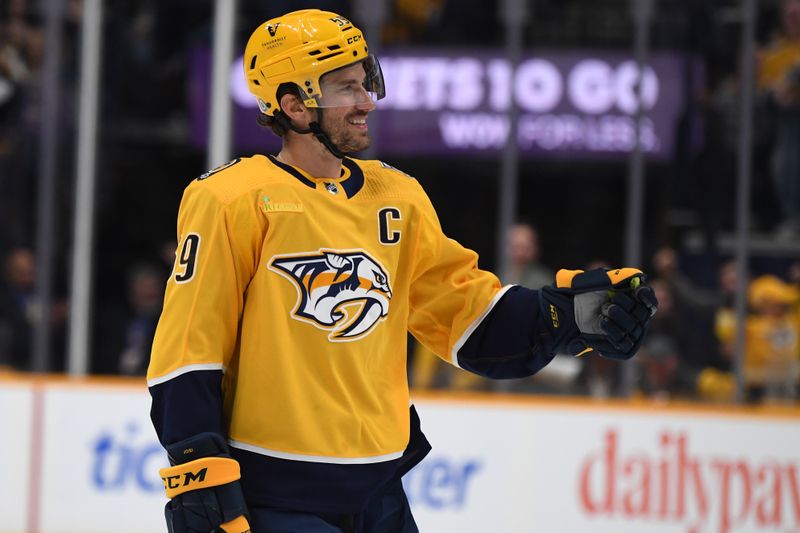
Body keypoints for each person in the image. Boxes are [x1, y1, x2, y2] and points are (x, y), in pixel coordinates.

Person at [146, 9, 658, 533]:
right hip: (274, 494)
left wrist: (567, 317)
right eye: (346, 87)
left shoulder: (398, 196)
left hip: (379, 494)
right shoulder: (232, 199)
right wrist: (199, 477)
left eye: (365, 81)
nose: (367, 99)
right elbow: (189, 347)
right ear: (295, 106)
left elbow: (464, 315)